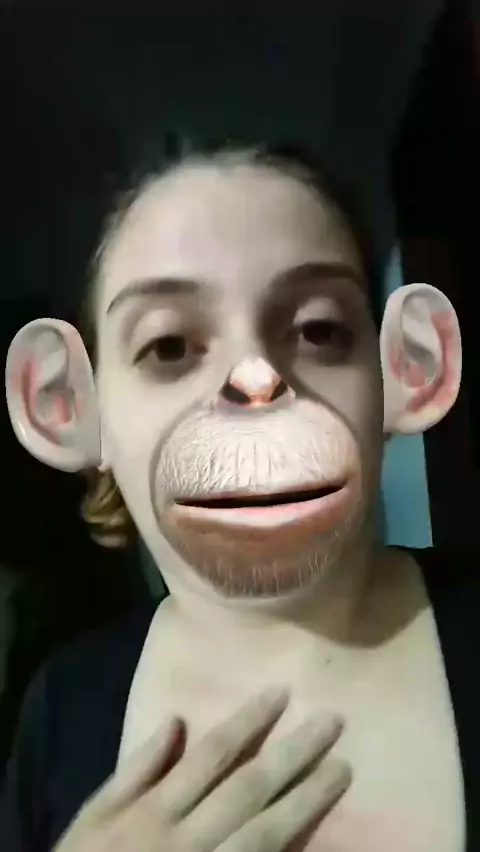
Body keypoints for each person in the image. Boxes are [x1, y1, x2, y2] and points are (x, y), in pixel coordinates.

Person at [1, 142, 475, 852]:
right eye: (168, 346)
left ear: (409, 370)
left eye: (318, 330)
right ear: (67, 408)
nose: (256, 378)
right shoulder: (61, 710)